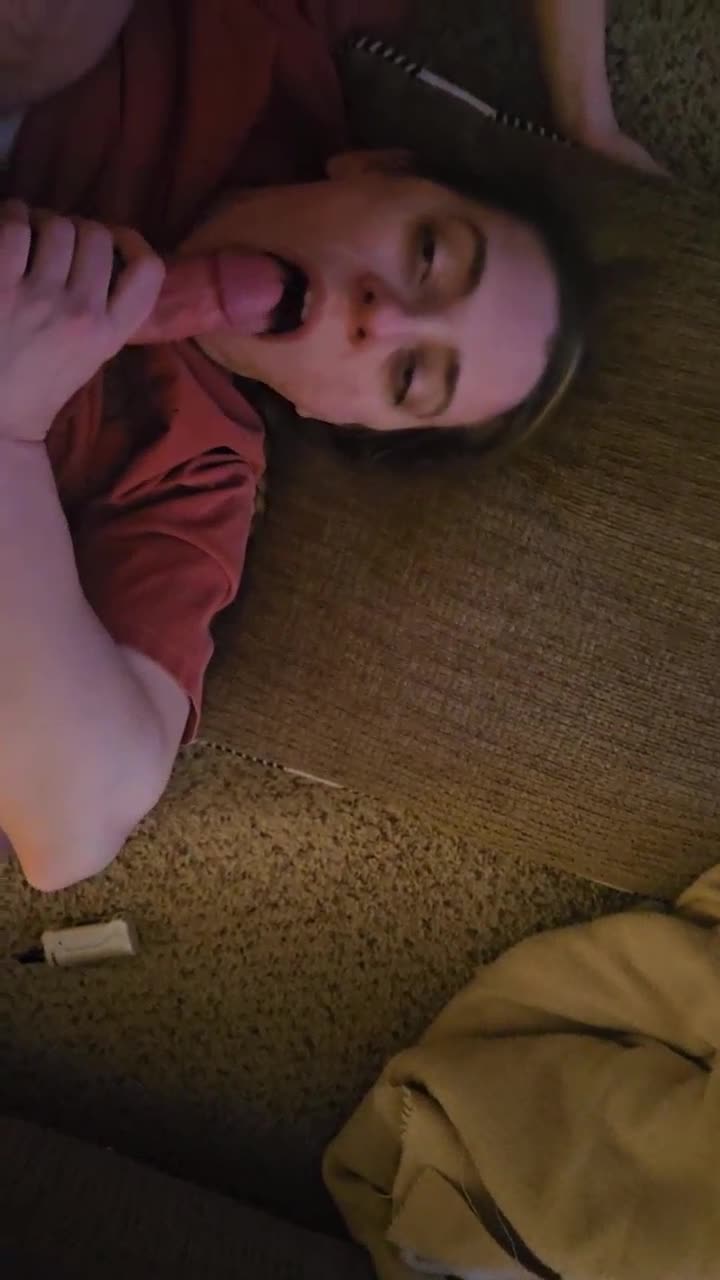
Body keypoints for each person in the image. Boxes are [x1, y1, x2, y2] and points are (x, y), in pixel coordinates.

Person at [0, 0, 659, 891]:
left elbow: (71, 828)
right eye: (428, 255)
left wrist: (9, 436)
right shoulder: (266, 41)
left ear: (344, 420)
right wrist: (589, 118)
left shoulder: (193, 469)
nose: (383, 318)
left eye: (409, 376)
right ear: (377, 168)